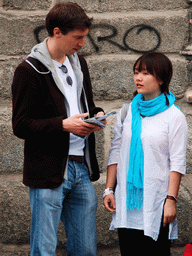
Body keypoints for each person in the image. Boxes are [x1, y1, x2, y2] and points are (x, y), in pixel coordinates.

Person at [12, 2, 106, 255]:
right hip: (49, 172)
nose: (82, 44)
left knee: (85, 250)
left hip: (81, 169)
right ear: (56, 32)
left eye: (84, 37)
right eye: (77, 38)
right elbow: (20, 125)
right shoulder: (28, 70)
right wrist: (63, 125)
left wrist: (96, 116)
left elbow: (86, 104)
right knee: (44, 250)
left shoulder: (79, 64)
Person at [103, 52, 188, 256]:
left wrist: (171, 199)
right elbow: (115, 152)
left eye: (145, 73)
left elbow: (177, 162)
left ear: (160, 78)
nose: (138, 78)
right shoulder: (127, 112)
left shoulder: (174, 116)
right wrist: (108, 189)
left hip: (156, 201)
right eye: (136, 72)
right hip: (127, 201)